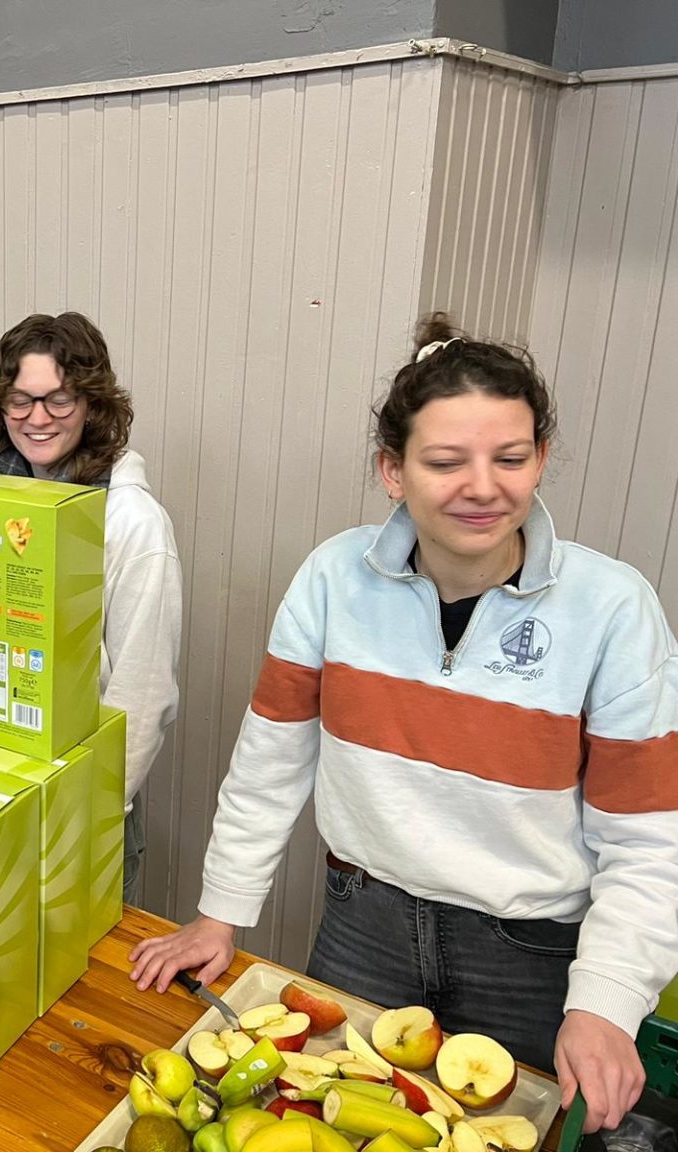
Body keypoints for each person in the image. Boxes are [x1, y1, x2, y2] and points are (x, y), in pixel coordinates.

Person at [127, 315, 677, 1133]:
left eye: (511, 458)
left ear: (541, 459)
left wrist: (606, 1001)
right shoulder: (331, 579)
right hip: (363, 927)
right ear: (394, 470)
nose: (482, 487)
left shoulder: (614, 609)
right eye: (446, 462)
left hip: (532, 958)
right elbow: (270, 763)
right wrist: (220, 911)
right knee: (325, 1125)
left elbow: (650, 837)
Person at [0, 312, 183, 908]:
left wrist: (88, 810)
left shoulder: (133, 522)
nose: (37, 418)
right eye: (20, 400)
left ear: (92, 404)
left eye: (58, 399)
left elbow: (143, 694)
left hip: (80, 809)